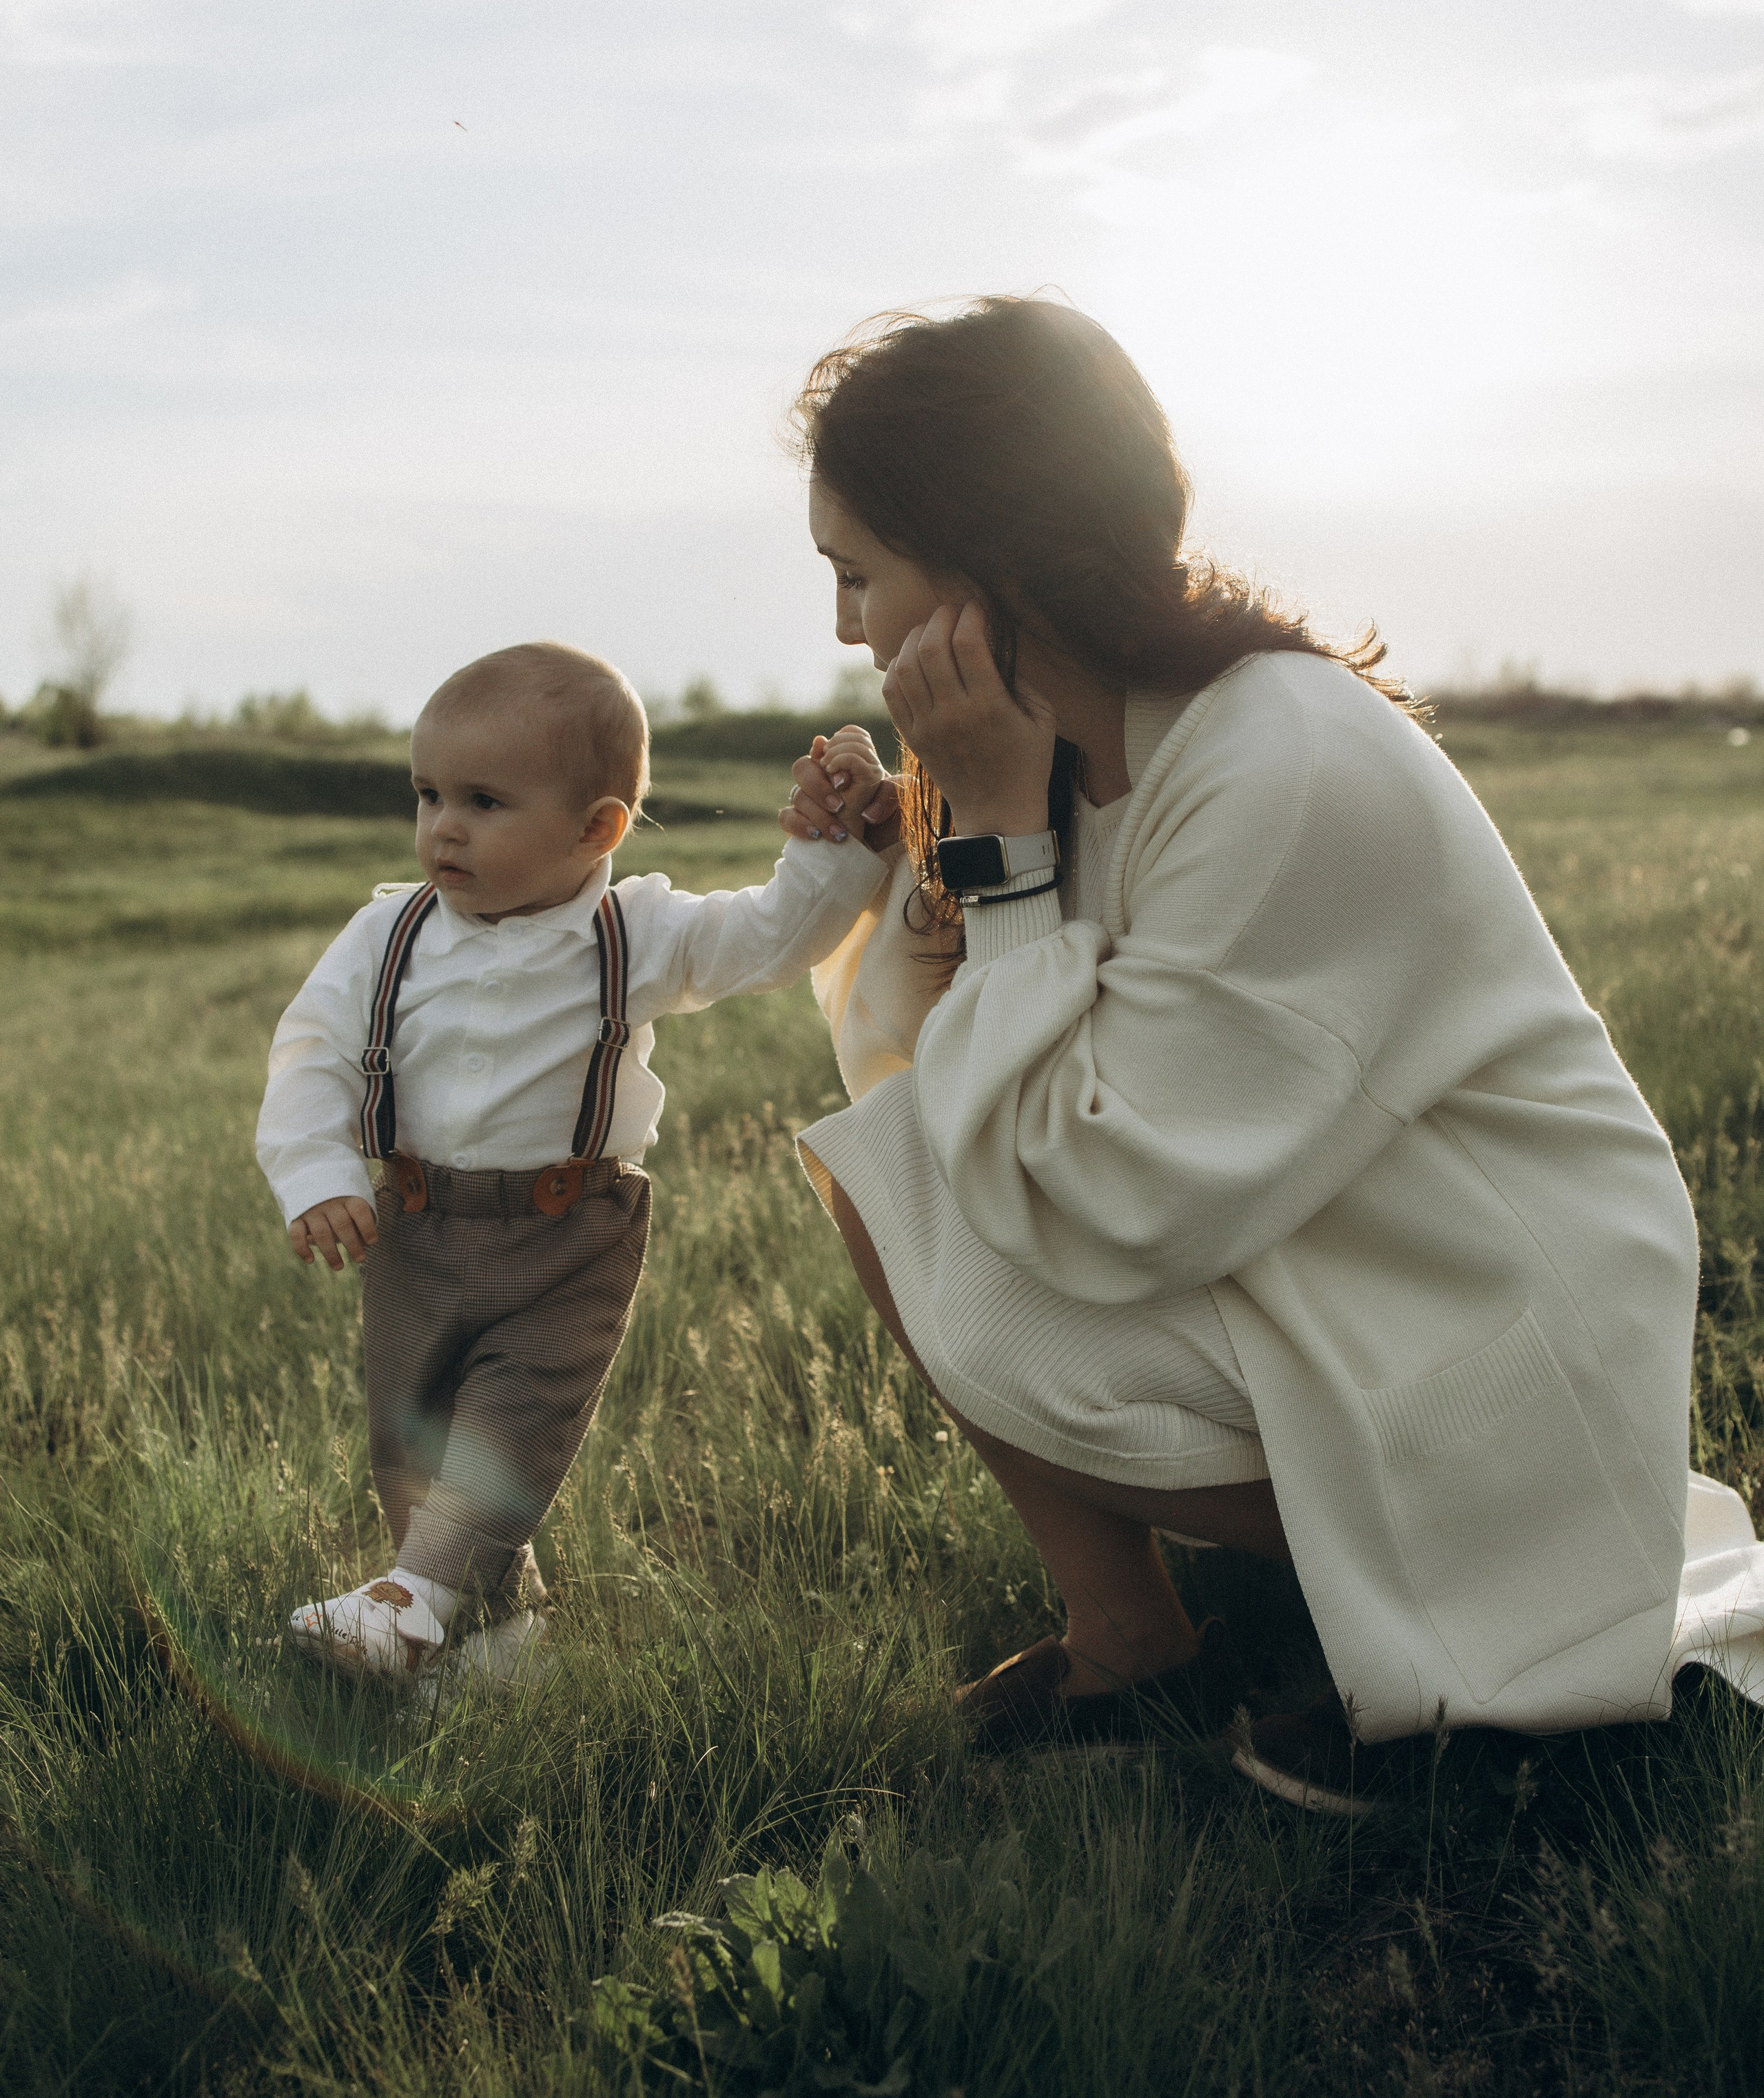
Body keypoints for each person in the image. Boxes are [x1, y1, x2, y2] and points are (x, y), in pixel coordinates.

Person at [777, 296, 1762, 1816]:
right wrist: (947, 842)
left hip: (1484, 1297)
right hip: (1322, 1237)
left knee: (967, 1221)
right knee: (898, 1183)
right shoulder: (1074, 757)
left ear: (986, 564)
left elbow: (1107, 1191)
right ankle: (1128, 1639)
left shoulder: (1269, 758)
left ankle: (1491, 1671)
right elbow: (935, 1086)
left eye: (859, 577)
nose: (848, 632)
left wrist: (1001, 851)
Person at [256, 640, 890, 1686]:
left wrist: (842, 834)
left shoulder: (633, 931)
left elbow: (777, 937)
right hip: (413, 1224)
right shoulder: (387, 932)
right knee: (416, 1439)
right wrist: (318, 1174)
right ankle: (500, 1640)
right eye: (427, 794)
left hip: (568, 1234)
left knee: (513, 1416)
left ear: (596, 827)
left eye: (485, 801)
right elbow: (312, 1052)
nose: (443, 826)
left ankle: (409, 1603)